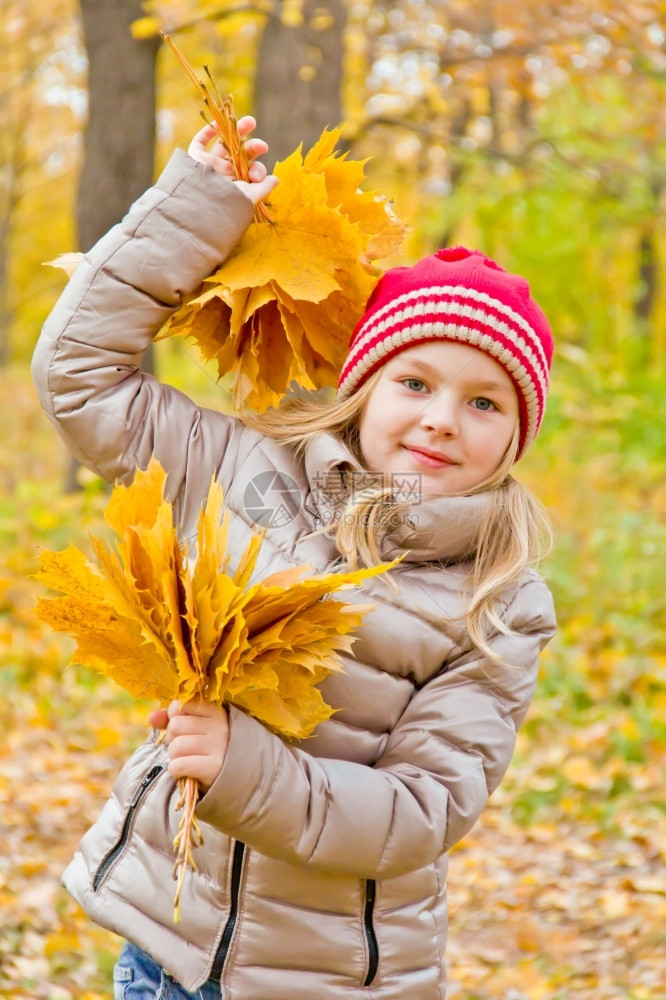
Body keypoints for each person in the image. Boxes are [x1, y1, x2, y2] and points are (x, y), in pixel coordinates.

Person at [32, 118, 556, 1000]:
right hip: (166, 943)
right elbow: (79, 375)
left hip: (324, 979)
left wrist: (241, 766)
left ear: (516, 437)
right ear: (364, 385)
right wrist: (199, 210)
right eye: (415, 383)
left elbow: (421, 811)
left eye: (484, 403)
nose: (440, 419)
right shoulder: (245, 469)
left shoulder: (498, 602)